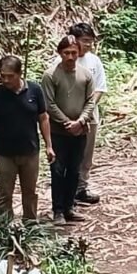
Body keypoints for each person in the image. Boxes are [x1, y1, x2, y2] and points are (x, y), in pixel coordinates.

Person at [0, 55, 55, 223]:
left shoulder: (35, 90)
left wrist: (49, 146)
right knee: (4, 194)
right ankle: (4, 229)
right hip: (5, 153)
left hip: (30, 151)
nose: (6, 80)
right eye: (3, 76)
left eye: (10, 76)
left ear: (20, 73)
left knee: (30, 192)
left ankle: (30, 224)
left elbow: (43, 118)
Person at [41, 36, 96, 225]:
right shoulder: (50, 75)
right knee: (58, 170)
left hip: (80, 131)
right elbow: (49, 104)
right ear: (60, 53)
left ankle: (70, 207)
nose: (70, 57)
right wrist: (67, 123)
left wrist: (80, 121)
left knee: (74, 170)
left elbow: (91, 100)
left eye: (74, 53)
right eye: (66, 53)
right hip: (58, 133)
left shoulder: (86, 75)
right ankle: (57, 211)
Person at [51, 22, 107, 205]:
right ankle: (65, 195)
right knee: (65, 158)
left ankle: (81, 187)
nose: (88, 45)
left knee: (85, 154)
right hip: (64, 119)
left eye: (91, 41)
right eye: (85, 41)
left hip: (88, 117)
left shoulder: (94, 61)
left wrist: (85, 113)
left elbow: (99, 89)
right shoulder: (59, 64)